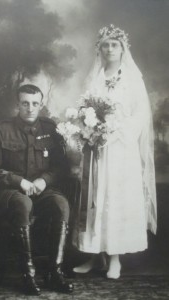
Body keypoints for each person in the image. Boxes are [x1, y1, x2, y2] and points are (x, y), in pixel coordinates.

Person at [72, 24, 157, 279]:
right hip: (96, 149)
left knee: (115, 199)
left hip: (121, 149)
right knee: (94, 198)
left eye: (114, 45)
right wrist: (89, 128)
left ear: (122, 48)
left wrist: (116, 130)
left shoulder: (132, 79)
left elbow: (140, 114)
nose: (109, 49)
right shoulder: (94, 78)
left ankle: (115, 259)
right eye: (105, 45)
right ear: (99, 49)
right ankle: (94, 255)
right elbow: (84, 108)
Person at [0, 84, 74, 295]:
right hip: (10, 190)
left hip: (40, 189)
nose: (30, 108)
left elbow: (60, 166)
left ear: (41, 104)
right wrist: (18, 181)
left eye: (35, 103)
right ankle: (27, 275)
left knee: (61, 204)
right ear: (17, 104)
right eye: (25, 103)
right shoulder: (2, 129)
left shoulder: (50, 129)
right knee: (23, 203)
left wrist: (44, 180)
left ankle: (54, 272)